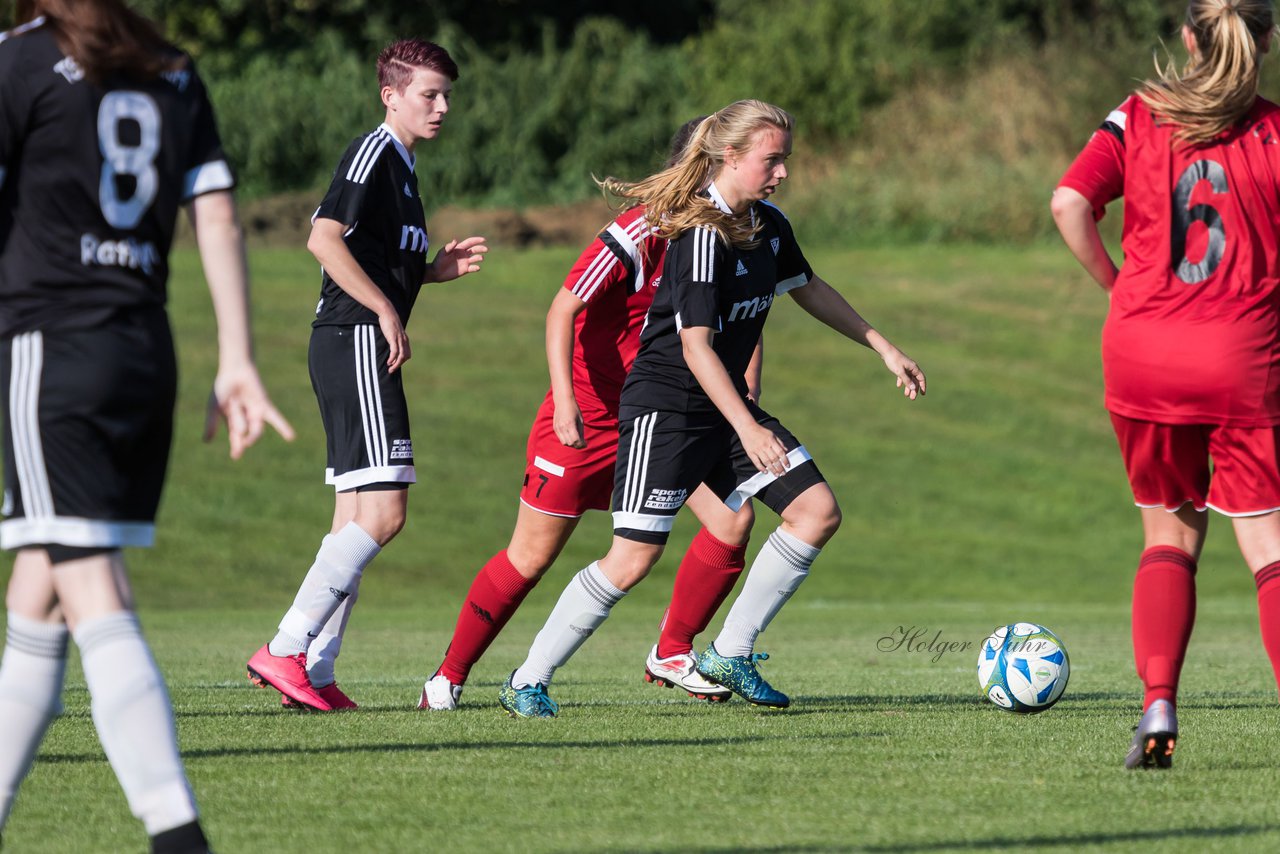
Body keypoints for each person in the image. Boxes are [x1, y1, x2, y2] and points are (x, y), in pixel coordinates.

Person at [498, 99, 925, 718]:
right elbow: (694, 346)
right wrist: (748, 425)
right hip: (665, 410)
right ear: (730, 157)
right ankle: (528, 678)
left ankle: (730, 651)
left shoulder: (767, 223)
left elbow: (807, 287)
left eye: (785, 160)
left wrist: (883, 347)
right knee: (633, 557)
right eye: (770, 160)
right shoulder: (702, 236)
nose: (781, 173)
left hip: (722, 407)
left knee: (815, 511)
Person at [0, 1, 295, 850]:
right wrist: (235, 359)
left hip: (47, 351)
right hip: (142, 355)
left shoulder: (18, 61)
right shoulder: (171, 65)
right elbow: (217, 215)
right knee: (42, 595)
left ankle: (177, 833)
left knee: (93, 589)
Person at [418, 118, 761, 710]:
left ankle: (672, 652)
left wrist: (746, 398)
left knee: (732, 521)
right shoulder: (641, 230)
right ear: (700, 168)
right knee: (531, 556)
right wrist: (567, 402)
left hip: (663, 417)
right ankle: (447, 677)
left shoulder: (728, 235)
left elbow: (747, 320)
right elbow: (562, 309)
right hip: (593, 417)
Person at [1052, 0, 1280, 770]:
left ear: (1189, 37)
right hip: (1245, 358)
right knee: (1269, 548)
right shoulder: (1276, 130)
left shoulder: (1139, 114)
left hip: (1144, 354)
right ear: (1267, 41)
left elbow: (1068, 202)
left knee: (1169, 533)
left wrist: (1120, 287)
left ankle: (1157, 708)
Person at [246, 37, 487, 713]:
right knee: (384, 512)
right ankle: (286, 648)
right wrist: (384, 305)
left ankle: (313, 672)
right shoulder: (374, 152)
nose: (441, 107)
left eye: (446, 95)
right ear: (391, 95)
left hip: (356, 341)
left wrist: (427, 273)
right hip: (353, 340)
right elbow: (323, 237)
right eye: (428, 94)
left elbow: (373, 257)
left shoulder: (404, 166)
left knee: (353, 517)